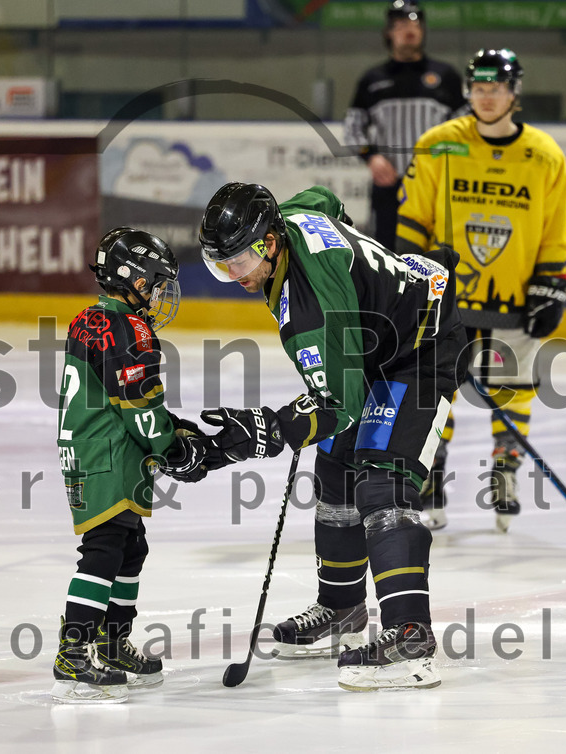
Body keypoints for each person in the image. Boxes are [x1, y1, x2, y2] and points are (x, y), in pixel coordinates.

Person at [196, 182, 467, 691]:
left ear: (270, 244)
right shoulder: (290, 216)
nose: (234, 277)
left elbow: (335, 406)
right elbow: (324, 199)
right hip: (376, 341)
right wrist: (372, 279)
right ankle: (343, 610)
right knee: (335, 469)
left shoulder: (310, 310)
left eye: (238, 262)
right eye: (222, 264)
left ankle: (412, 638)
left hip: (419, 350)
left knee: (382, 483)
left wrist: (267, 429)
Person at [396, 48, 566, 532]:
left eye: (496, 88)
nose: (486, 97)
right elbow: (413, 219)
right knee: (437, 392)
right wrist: (406, 280)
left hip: (514, 299)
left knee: (514, 391)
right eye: (479, 88)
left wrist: (553, 283)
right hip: (446, 299)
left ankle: (504, 473)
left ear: (515, 92)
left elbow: (555, 229)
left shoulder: (544, 155)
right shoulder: (439, 144)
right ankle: (430, 473)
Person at [51, 227, 210, 703]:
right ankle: (73, 651)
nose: (160, 293)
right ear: (133, 278)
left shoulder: (91, 317)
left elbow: (125, 397)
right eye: (155, 282)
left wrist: (169, 428)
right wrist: (173, 446)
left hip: (94, 446)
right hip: (109, 453)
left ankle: (112, 641)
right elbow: (138, 405)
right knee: (104, 548)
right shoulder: (131, 328)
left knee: (130, 547)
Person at [343, 0, 464, 252]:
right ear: (388, 32)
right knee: (385, 256)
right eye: (400, 24)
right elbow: (353, 128)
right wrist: (371, 157)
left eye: (416, 22)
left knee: (437, 256)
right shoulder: (373, 80)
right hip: (390, 189)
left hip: (436, 187)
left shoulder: (447, 76)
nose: (410, 28)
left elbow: (466, 129)